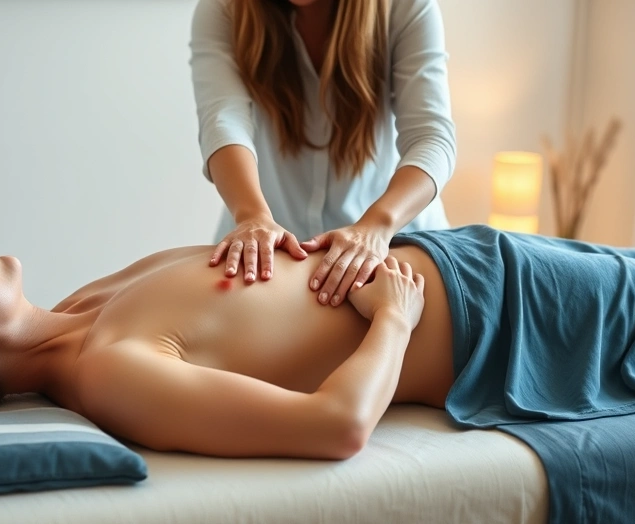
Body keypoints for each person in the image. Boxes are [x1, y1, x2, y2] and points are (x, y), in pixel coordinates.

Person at [0, 226, 635, 462]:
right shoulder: (107, 370)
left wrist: (303, 234)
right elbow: (335, 427)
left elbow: (256, 276)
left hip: (469, 253)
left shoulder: (84, 305)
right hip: (512, 320)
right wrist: (393, 318)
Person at [190, 0, 456, 308]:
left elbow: (431, 136)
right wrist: (251, 215)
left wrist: (377, 226)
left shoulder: (407, 7)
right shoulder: (223, 9)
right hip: (268, 248)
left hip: (397, 244)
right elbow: (223, 120)